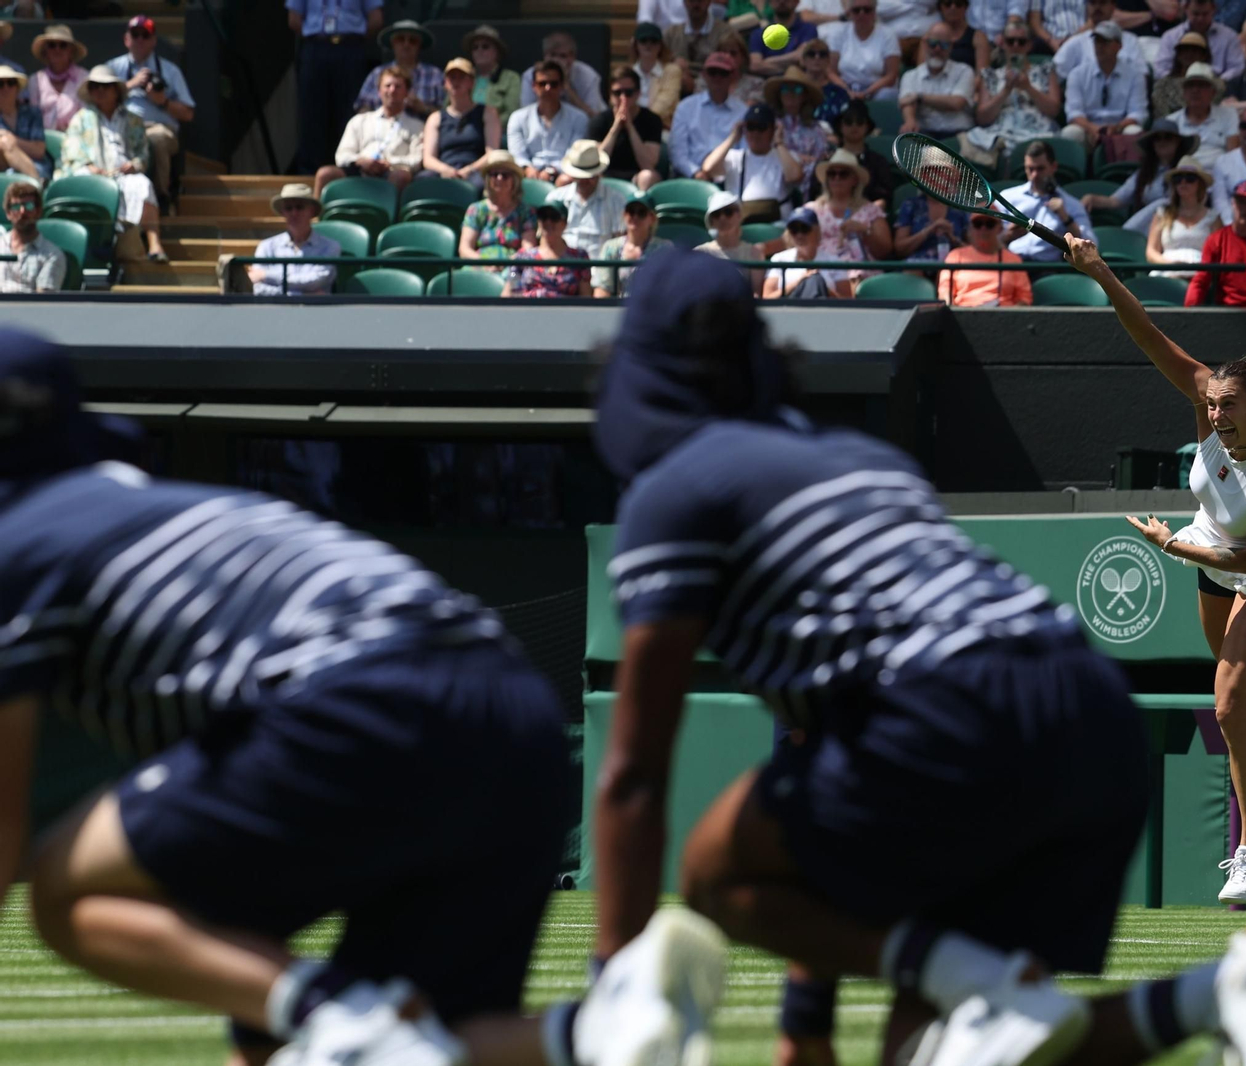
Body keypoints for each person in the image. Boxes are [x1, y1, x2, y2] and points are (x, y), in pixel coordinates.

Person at [592, 242, 1246, 1066]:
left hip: (951, 709)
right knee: (936, 1043)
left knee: (713, 870)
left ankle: (1217, 892)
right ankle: (1225, 993)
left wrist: (614, 999)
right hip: (1084, 712)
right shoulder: (865, 462)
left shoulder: (674, 494)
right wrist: (806, 1024)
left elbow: (634, 776)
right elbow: (820, 743)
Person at [0, 329, 726, 1066]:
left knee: (64, 889)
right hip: (512, 715)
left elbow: (2, 821)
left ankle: (336, 1016)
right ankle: (596, 1033)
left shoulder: (16, 543)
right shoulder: (168, 508)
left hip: (357, 702)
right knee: (413, 1036)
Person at [1069, 232, 1246, 903]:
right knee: (1241, 696)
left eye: (1228, 406)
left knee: (1229, 700)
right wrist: (1099, 271)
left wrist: (1171, 546)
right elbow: (1147, 332)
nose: (1215, 415)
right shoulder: (1205, 405)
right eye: (1211, 404)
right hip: (1213, 549)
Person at [60, 66, 167, 263]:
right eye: (95, 86)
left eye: (105, 86)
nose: (99, 90)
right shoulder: (81, 118)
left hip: (123, 173)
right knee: (83, 178)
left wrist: (134, 165)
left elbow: (142, 153)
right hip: (92, 174)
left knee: (143, 185)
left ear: (116, 90)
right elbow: (71, 149)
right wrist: (89, 166)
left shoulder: (133, 120)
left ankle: (154, 244)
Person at [285, 0, 385, 173]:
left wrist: (354, 36)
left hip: (350, 48)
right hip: (316, 47)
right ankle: (309, 172)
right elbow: (294, 19)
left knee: (349, 111)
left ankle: (350, 169)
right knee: (311, 111)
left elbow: (376, 19)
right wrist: (318, 37)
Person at [105, 15, 194, 206]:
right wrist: (130, 85)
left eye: (145, 35)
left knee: (156, 139)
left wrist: (163, 101)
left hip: (158, 128)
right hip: (121, 127)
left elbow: (188, 113)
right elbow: (98, 101)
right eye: (135, 35)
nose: (140, 40)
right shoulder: (112, 68)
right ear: (126, 39)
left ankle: (162, 198)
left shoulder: (170, 71)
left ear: (154, 40)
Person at [316, 67, 424, 198]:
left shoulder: (417, 126)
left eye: (398, 86)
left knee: (401, 176)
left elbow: (417, 160)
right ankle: (316, 211)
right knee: (326, 173)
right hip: (359, 171)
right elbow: (342, 155)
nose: (392, 90)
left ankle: (389, 211)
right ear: (379, 91)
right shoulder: (359, 121)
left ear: (406, 92)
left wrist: (390, 162)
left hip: (392, 172)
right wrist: (361, 161)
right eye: (387, 86)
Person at [968, 17, 1063, 162]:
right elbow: (983, 118)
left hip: (1039, 132)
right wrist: (1005, 90)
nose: (1016, 45)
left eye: (1021, 41)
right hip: (1001, 134)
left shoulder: (1045, 70)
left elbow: (1054, 110)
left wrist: (1028, 88)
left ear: (1029, 45)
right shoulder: (991, 75)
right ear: (1003, 43)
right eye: (1010, 41)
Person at [1081, 118, 1195, 232]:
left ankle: (1128, 234)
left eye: (1168, 137)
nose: (1162, 141)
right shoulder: (1144, 174)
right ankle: (1129, 235)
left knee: (1163, 204)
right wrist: (1092, 199)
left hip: (1182, 225)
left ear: (1178, 142)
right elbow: (1115, 201)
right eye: (1157, 138)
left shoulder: (1189, 171)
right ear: (1152, 144)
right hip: (1150, 228)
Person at [702, 103, 803, 221]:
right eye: (750, 127)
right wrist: (733, 137)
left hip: (777, 223)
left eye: (761, 127)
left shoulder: (785, 156)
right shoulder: (734, 157)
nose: (755, 133)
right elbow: (708, 168)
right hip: (741, 224)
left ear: (772, 130)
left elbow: (795, 176)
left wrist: (779, 142)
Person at [418, 58, 502, 194]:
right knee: (422, 182)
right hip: (443, 171)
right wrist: (445, 170)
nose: (456, 82)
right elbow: (428, 159)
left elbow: (492, 153)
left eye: (461, 77)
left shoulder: (488, 113)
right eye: (452, 77)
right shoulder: (435, 118)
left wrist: (469, 170)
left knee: (480, 185)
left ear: (472, 82)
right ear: (445, 83)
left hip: (475, 172)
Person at [1002, 139, 1096, 258]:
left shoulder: (1071, 205)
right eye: (1030, 169)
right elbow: (986, 238)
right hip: (1012, 264)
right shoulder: (1008, 197)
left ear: (1053, 167)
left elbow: (1090, 246)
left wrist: (1066, 218)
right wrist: (1007, 236)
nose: (1035, 175)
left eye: (1040, 169)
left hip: (1047, 266)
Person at [1064, 23, 1149, 150]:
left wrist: (1117, 127)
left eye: (1105, 42)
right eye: (1097, 41)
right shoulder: (1077, 74)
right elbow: (1074, 112)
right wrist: (1092, 128)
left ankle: (1129, 164)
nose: (1099, 46)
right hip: (1088, 128)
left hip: (1120, 128)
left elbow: (1138, 112)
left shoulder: (1135, 74)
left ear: (1119, 46)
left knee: (1134, 131)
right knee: (1071, 132)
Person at [246, 182, 340, 297]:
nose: (294, 213)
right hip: (274, 308)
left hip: (314, 308)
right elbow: (259, 289)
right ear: (283, 212)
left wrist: (266, 276)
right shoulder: (266, 246)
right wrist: (303, 294)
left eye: (299, 207)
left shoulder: (330, 246)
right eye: (288, 208)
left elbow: (317, 280)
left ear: (311, 211)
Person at [807, 147, 892, 273]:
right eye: (832, 174)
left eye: (843, 174)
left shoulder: (871, 210)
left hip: (860, 272)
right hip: (821, 270)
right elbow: (791, 240)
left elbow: (884, 251)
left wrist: (864, 231)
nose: (837, 178)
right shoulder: (811, 210)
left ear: (855, 180)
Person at [508, 61, 589, 183]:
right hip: (527, 177)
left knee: (566, 179)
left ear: (562, 86)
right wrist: (528, 169)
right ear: (534, 86)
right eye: (542, 84)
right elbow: (517, 155)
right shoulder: (518, 118)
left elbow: (574, 154)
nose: (548, 88)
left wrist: (552, 171)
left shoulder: (579, 118)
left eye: (553, 84)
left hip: (565, 177)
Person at [668, 52, 744, 180]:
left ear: (733, 76)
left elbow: (744, 153)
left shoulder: (743, 112)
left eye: (723, 73)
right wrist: (696, 173)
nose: (717, 77)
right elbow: (677, 152)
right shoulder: (686, 107)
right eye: (712, 72)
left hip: (729, 179)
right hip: (689, 178)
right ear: (704, 74)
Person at [806, 99, 896, 205]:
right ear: (840, 126)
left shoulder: (879, 162)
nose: (854, 126)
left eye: (859, 121)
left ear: (867, 126)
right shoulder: (827, 161)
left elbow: (885, 197)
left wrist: (869, 212)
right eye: (848, 121)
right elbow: (815, 194)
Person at [548, 140, 629, 256]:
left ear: (598, 174)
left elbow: (620, 244)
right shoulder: (555, 198)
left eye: (589, 177)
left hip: (599, 264)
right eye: (579, 176)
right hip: (561, 264)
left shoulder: (616, 201)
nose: (584, 181)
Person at [591, 66, 665, 191]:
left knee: (649, 176)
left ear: (638, 93)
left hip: (637, 177)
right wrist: (615, 128)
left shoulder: (652, 120)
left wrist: (630, 128)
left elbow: (648, 164)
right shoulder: (600, 120)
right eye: (617, 93)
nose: (623, 98)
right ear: (610, 94)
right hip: (605, 177)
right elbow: (596, 163)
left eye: (628, 93)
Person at [458, 150, 538, 264]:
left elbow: (528, 250)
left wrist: (507, 264)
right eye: (494, 174)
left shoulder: (526, 211)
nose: (499, 178)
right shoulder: (476, 209)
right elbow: (464, 249)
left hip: (512, 267)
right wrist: (486, 263)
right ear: (488, 179)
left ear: (514, 179)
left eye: (505, 175)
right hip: (479, 266)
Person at [1147, 155, 1221, 277]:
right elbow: (1151, 252)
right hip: (1166, 272)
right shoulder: (1162, 214)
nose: (1183, 182)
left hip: (1201, 274)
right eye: (1178, 179)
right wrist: (1170, 265)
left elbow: (1217, 254)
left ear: (1200, 184)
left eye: (1190, 178)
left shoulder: (1213, 217)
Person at [899, 22, 977, 136]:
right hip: (925, 134)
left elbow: (956, 103)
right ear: (924, 44)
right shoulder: (910, 76)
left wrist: (920, 97)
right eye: (933, 43)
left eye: (944, 45)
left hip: (957, 134)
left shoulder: (964, 71)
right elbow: (907, 103)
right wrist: (910, 120)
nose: (937, 49)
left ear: (951, 46)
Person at [504, 199, 593, 297]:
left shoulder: (579, 257)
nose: (548, 222)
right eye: (543, 217)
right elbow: (510, 292)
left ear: (564, 223)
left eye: (554, 217)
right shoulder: (522, 258)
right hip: (530, 305)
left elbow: (586, 297)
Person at [939, 211, 1032, 304]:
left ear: (999, 228)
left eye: (990, 224)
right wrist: (953, 310)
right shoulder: (955, 256)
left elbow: (1024, 297)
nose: (983, 228)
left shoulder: (1013, 260)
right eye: (978, 224)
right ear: (970, 228)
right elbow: (945, 291)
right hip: (964, 310)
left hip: (1003, 311)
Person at [355, 20, 443, 118]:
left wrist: (423, 108)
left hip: (423, 126)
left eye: (412, 40)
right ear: (393, 43)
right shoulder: (377, 73)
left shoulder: (435, 74)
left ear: (419, 45)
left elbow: (447, 113)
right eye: (400, 39)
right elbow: (363, 107)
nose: (406, 44)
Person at [821, 0, 903, 98]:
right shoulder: (838, 33)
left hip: (877, 90)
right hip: (845, 87)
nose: (861, 14)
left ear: (874, 12)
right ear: (850, 13)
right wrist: (847, 91)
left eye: (867, 10)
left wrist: (867, 92)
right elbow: (830, 71)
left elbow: (891, 75)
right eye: (856, 10)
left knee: (887, 94)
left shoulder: (888, 35)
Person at [763, 204, 851, 295]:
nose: (799, 235)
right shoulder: (779, 259)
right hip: (790, 303)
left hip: (822, 303)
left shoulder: (834, 261)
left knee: (815, 280)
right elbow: (768, 297)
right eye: (794, 230)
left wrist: (821, 286)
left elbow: (847, 301)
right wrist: (799, 282)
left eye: (805, 229)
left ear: (816, 231)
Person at [595, 197, 673, 297]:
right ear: (625, 215)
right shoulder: (610, 247)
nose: (635, 217)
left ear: (652, 218)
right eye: (631, 212)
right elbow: (602, 289)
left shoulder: (665, 248)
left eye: (641, 213)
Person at [1168, 62, 1239, 168]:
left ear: (1213, 92)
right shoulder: (1171, 122)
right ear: (1184, 92)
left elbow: (1233, 155)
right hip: (1184, 174)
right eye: (1190, 85)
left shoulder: (1229, 115)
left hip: (1219, 173)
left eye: (1201, 85)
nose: (1195, 90)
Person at [765, 66, 833, 178]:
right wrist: (798, 157)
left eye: (797, 90)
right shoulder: (769, 125)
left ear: (804, 96)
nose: (790, 94)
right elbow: (765, 154)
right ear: (779, 95)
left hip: (808, 181)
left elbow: (820, 162)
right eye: (785, 89)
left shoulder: (816, 129)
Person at [1056, 0, 1151, 79]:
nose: (1097, 8)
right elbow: (1055, 70)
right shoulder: (1076, 42)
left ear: (1113, 6)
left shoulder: (1130, 41)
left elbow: (1142, 75)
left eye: (1102, 3)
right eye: (1093, 3)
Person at [698, 189, 769, 293]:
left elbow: (756, 294)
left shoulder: (755, 253)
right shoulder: (700, 252)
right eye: (716, 214)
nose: (722, 218)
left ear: (739, 215)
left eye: (728, 212)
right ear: (711, 221)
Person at [0, 179, 65, 293]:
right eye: (16, 207)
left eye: (28, 206)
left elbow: (44, 299)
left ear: (38, 211)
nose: (22, 211)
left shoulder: (52, 255)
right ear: (8, 213)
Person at [522, 32, 606, 119]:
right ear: (545, 55)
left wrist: (566, 85)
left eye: (562, 56)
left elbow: (593, 117)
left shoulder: (588, 76)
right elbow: (527, 113)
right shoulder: (530, 76)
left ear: (572, 57)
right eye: (552, 55)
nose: (556, 60)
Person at [1156, 0, 1245, 78]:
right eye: (1196, 14)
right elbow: (1160, 68)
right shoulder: (1170, 37)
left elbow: (1237, 67)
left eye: (1205, 14)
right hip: (1177, 85)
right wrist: (1176, 82)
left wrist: (1218, 82)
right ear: (1185, 9)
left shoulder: (1229, 37)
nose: (1200, 19)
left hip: (1218, 85)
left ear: (1214, 9)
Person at [1210, 103, 1246, 222]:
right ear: (1239, 129)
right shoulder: (1223, 162)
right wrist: (1234, 225)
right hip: (1233, 225)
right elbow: (1220, 202)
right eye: (1244, 126)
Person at [27, 24, 88, 133]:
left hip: (77, 138)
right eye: (52, 45)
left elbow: (87, 116)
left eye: (63, 45)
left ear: (71, 51)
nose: (57, 49)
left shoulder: (84, 77)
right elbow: (33, 117)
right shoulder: (35, 80)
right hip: (43, 139)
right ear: (45, 51)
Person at [462, 25, 521, 126]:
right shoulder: (462, 77)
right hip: (464, 130)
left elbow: (512, 112)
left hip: (499, 132)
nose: (479, 50)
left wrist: (488, 126)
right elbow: (447, 107)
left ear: (497, 51)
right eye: (475, 47)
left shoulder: (511, 78)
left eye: (485, 46)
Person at [0, 63, 48, 185]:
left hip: (35, 166)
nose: (5, 88)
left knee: (5, 142)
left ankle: (37, 187)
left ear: (17, 88)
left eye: (11, 83)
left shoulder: (32, 113)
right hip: (3, 168)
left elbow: (39, 150)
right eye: (0, 84)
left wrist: (12, 141)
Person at [894, 188, 970, 262]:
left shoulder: (961, 207)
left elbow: (973, 251)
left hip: (953, 263)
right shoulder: (911, 205)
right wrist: (928, 230)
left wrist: (952, 238)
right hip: (917, 264)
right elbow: (900, 250)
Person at [632, 22, 685, 127]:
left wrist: (639, 124)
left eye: (654, 41)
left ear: (660, 45)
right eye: (643, 40)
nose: (648, 45)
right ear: (636, 45)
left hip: (661, 128)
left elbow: (665, 104)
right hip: (631, 126)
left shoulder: (672, 71)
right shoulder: (629, 72)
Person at [666, 0, 732, 81]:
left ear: (709, 2)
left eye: (700, 0)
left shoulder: (725, 33)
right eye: (691, 1)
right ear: (684, 2)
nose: (696, 4)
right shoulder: (671, 34)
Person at [1151, 31, 1211, 118]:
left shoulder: (1213, 85)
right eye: (1185, 50)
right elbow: (1161, 114)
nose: (1189, 54)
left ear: (1203, 55)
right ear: (1178, 54)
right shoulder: (1163, 85)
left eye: (1195, 50)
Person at [751, 0, 821, 73]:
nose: (782, 1)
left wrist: (768, 61)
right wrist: (789, 67)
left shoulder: (808, 29)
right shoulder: (758, 34)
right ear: (770, 2)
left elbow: (801, 55)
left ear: (797, 2)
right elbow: (755, 65)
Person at [797, 38, 853, 125]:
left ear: (828, 61)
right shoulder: (796, 90)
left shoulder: (839, 93)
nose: (817, 57)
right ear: (803, 60)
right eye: (811, 54)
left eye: (822, 54)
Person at [937, 0, 994, 72]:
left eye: (958, 4)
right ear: (940, 8)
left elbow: (982, 73)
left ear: (966, 8)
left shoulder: (979, 37)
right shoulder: (930, 37)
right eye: (947, 4)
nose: (953, 8)